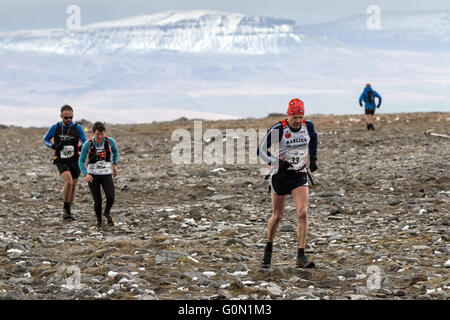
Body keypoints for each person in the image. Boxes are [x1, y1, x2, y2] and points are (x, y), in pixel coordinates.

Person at [257, 98, 318, 268]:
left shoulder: (308, 126)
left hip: (299, 174)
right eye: (294, 117)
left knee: (303, 213)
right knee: (277, 216)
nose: (298, 121)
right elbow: (261, 150)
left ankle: (301, 256)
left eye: (300, 116)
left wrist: (313, 157)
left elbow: (313, 139)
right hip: (279, 176)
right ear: (288, 115)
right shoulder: (278, 129)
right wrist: (276, 162)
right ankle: (267, 252)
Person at [43, 105, 87, 221]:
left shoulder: (77, 128)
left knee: (73, 186)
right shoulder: (55, 127)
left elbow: (85, 142)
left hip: (74, 160)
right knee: (68, 181)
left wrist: (82, 148)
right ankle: (65, 207)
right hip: (60, 159)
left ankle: (68, 212)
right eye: (66, 118)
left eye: (70, 117)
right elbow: (45, 139)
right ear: (61, 116)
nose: (68, 120)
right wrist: (54, 146)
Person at [78, 121, 118, 230]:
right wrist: (85, 174)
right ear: (93, 133)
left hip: (106, 174)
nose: (100, 137)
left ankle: (107, 212)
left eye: (102, 134)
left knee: (110, 196)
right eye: (97, 134)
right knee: (98, 200)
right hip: (92, 175)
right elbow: (81, 161)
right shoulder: (87, 144)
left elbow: (115, 151)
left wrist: (114, 164)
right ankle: (99, 220)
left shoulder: (110, 142)